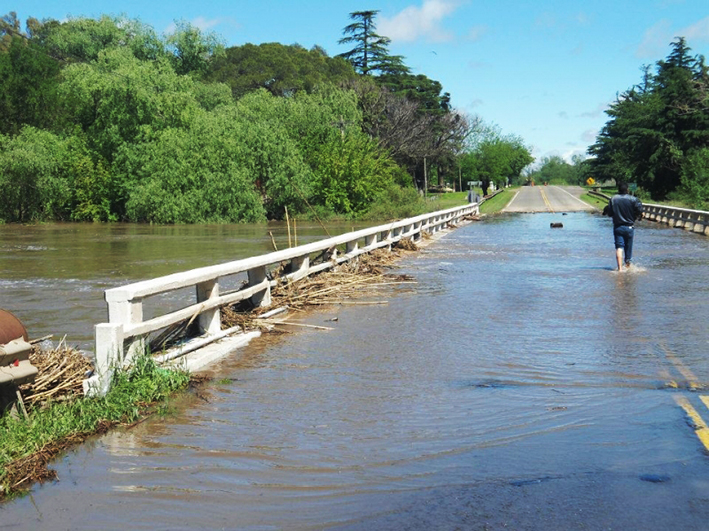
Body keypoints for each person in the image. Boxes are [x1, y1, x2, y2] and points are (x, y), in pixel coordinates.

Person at [605, 182, 643, 271]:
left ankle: (620, 269)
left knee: (619, 247)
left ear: (618, 190)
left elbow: (610, 213)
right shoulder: (633, 199)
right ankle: (628, 265)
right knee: (628, 247)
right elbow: (639, 211)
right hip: (630, 227)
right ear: (627, 190)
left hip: (618, 227)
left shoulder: (613, 199)